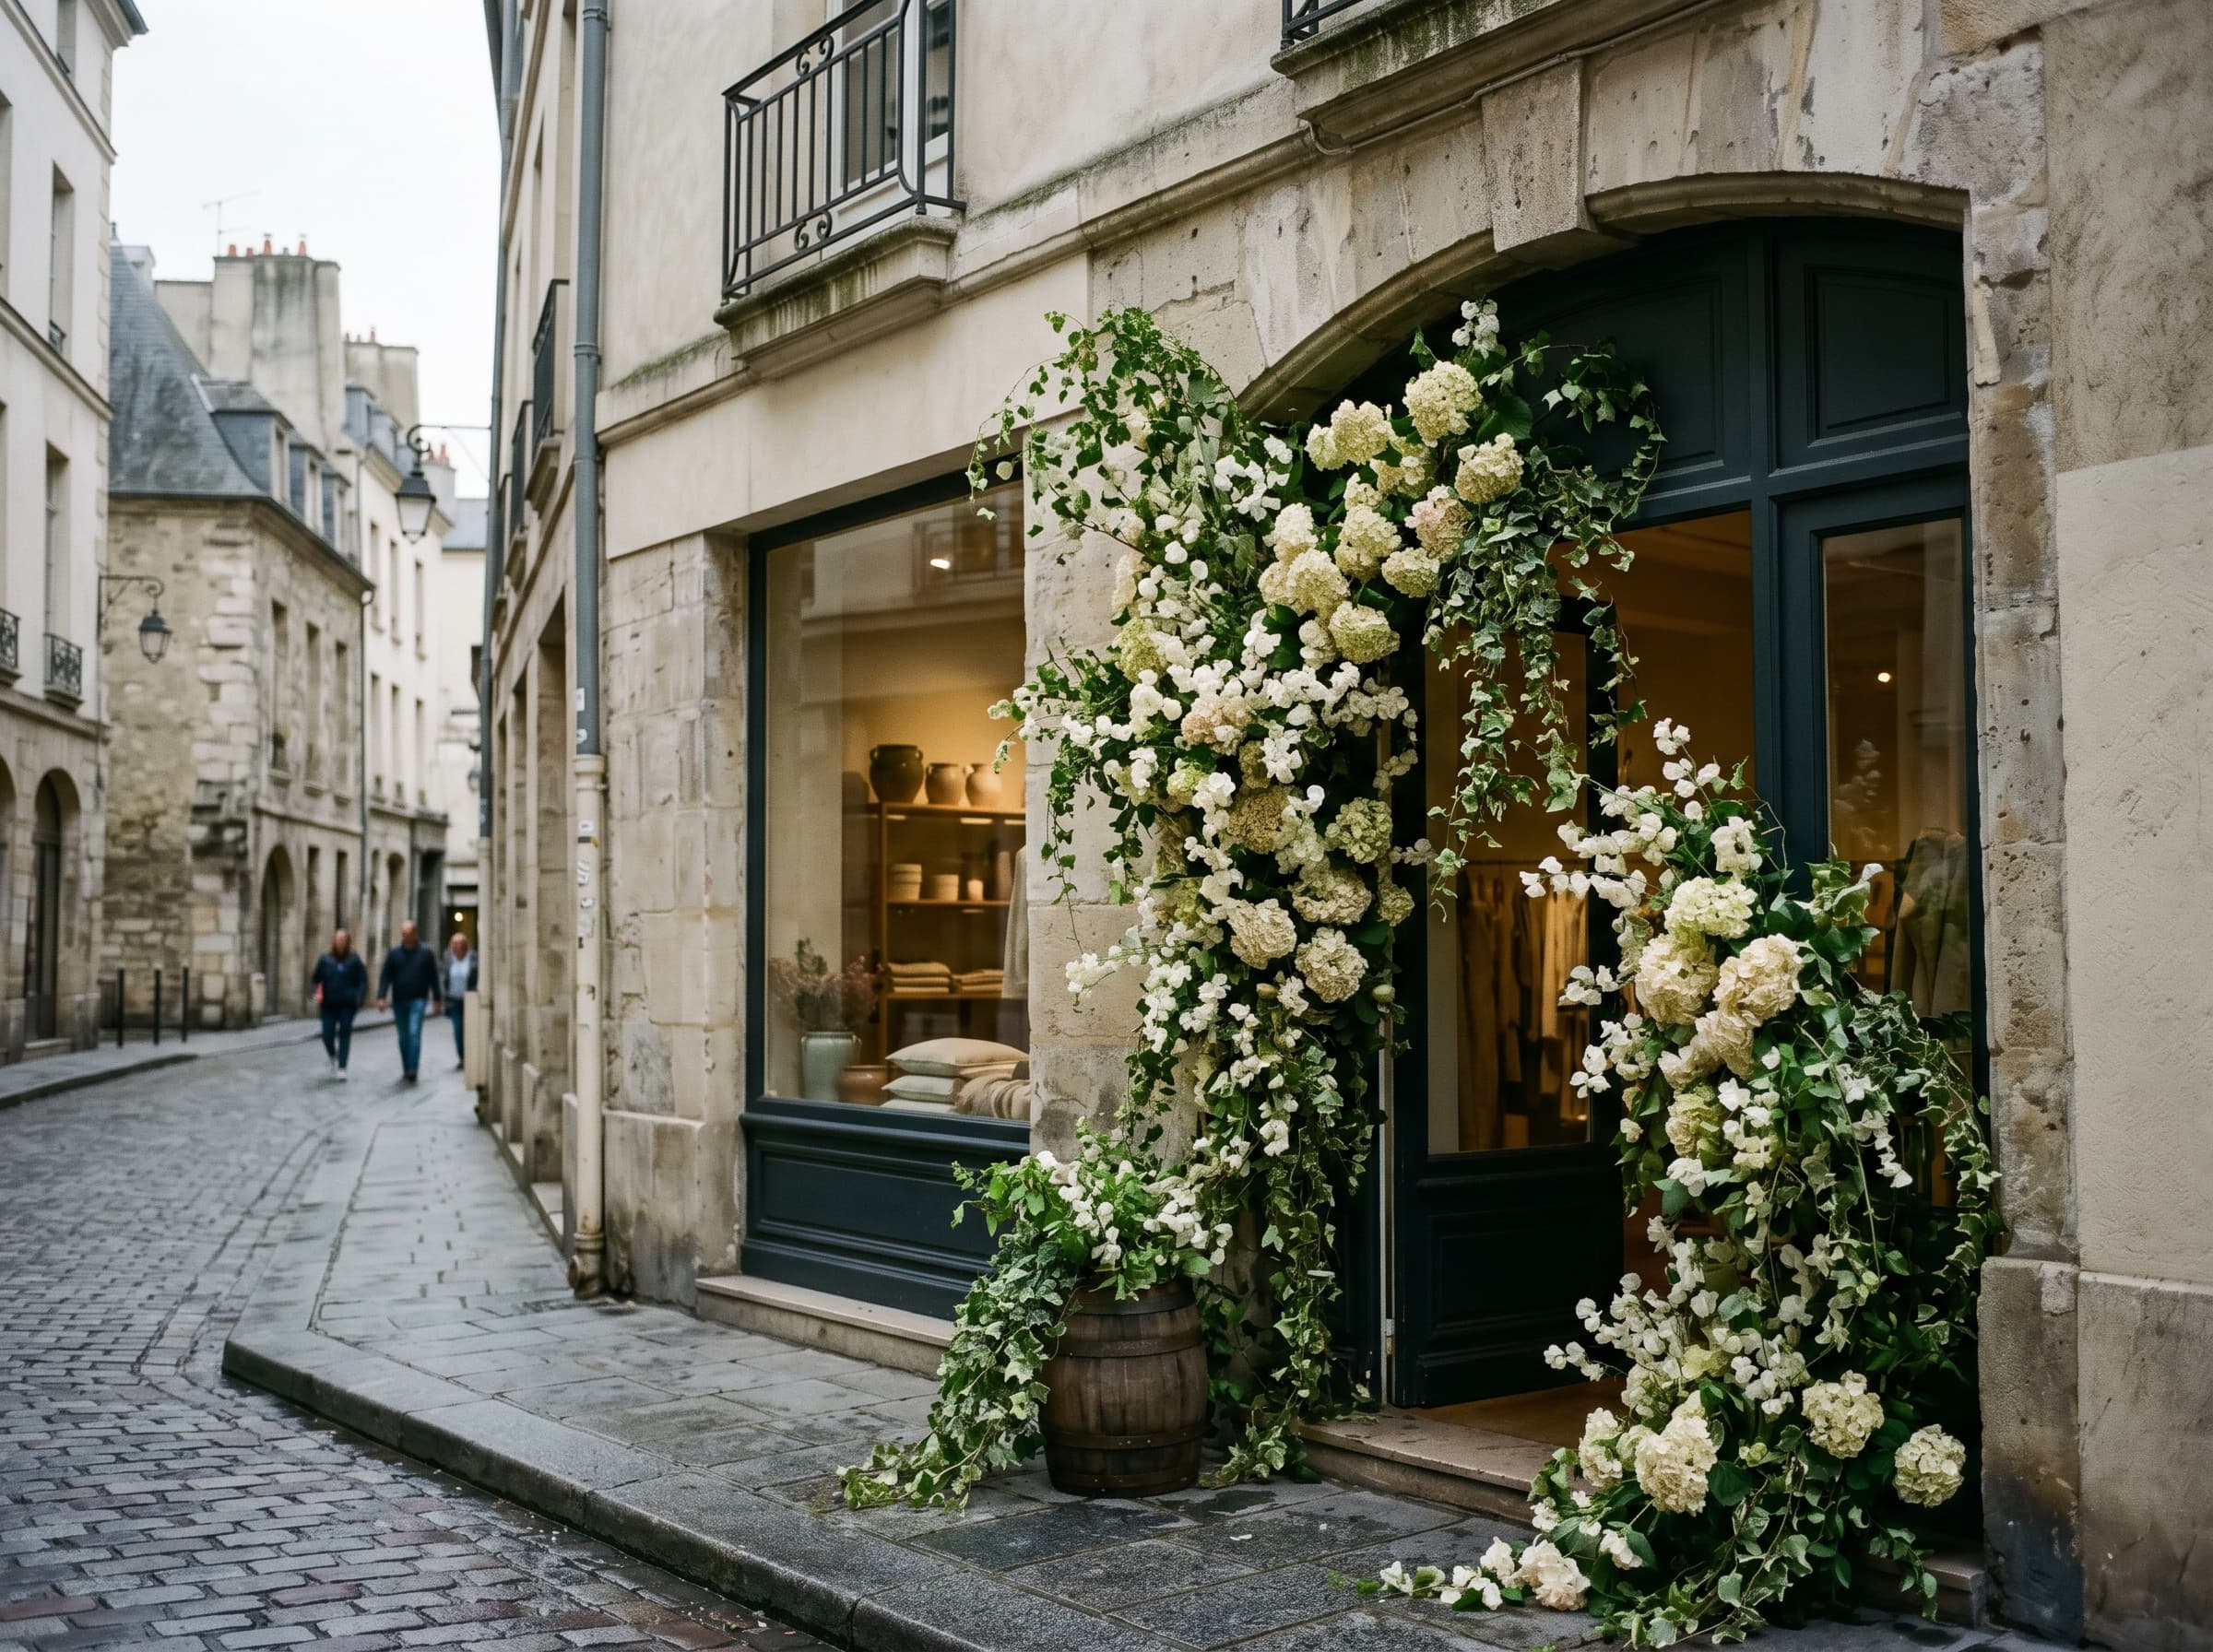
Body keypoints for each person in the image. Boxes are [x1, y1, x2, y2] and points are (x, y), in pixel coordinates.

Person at [375, 919, 443, 1082]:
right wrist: (381, 996)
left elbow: (433, 977)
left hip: (418, 1000)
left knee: (414, 1033)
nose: (405, 936)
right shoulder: (394, 953)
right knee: (403, 1037)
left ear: (415, 933)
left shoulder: (426, 953)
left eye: (408, 933)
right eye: (403, 933)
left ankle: (413, 1068)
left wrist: (437, 999)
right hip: (399, 1001)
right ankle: (406, 1067)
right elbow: (386, 976)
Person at [309, 929, 369, 1081]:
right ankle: (333, 1055)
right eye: (338, 939)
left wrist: (359, 998)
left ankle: (342, 1067)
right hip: (329, 1004)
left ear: (348, 942)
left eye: (343, 939)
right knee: (327, 1034)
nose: (340, 942)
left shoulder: (354, 960)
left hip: (347, 1005)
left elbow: (363, 980)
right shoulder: (325, 960)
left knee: (345, 1033)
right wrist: (315, 993)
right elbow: (315, 980)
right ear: (334, 941)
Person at [444, 931, 478, 1067]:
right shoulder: (448, 958)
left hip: (469, 1000)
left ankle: (471, 1055)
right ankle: (462, 1057)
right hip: (454, 1000)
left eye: (459, 943)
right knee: (458, 1029)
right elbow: (444, 977)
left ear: (465, 945)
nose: (456, 946)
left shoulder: (473, 958)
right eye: (454, 943)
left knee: (470, 1029)